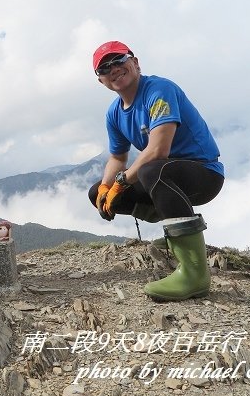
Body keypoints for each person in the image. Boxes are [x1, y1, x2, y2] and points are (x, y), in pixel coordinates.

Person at [88, 41, 224, 302]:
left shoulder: (159, 90)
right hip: (164, 176)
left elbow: (158, 150)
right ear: (101, 81)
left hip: (204, 174)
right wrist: (107, 188)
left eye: (119, 60)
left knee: (152, 170)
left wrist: (121, 182)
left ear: (135, 62)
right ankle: (175, 235)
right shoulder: (114, 113)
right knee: (97, 192)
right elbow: (118, 156)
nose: (113, 69)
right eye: (105, 68)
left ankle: (195, 275)